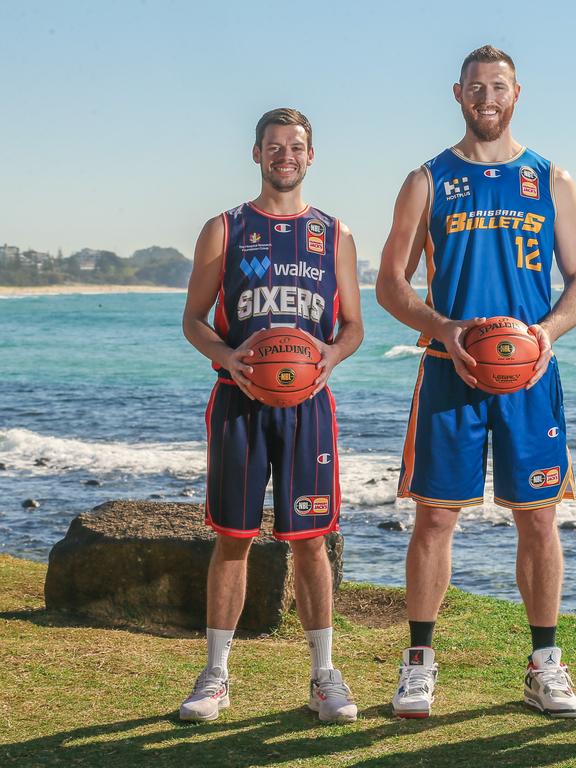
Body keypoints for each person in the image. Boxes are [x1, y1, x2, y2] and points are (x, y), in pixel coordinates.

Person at [375, 45, 576, 719]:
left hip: (529, 372)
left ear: (517, 93)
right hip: (451, 371)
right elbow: (389, 283)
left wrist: (545, 335)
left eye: (498, 87)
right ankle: (418, 664)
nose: (487, 97)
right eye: (476, 87)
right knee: (436, 517)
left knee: (538, 518)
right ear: (458, 94)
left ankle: (545, 665)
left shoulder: (550, 179)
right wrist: (444, 329)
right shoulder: (428, 179)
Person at [179, 108, 363, 724]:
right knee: (233, 538)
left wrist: (329, 357)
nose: (286, 156)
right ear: (256, 154)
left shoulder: (334, 234)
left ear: (311, 157)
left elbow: (353, 327)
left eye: (297, 147)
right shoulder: (224, 229)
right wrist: (229, 357)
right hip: (239, 402)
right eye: (274, 146)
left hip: (308, 406)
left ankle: (323, 675)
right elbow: (194, 321)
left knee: (310, 541)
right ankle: (215, 676)